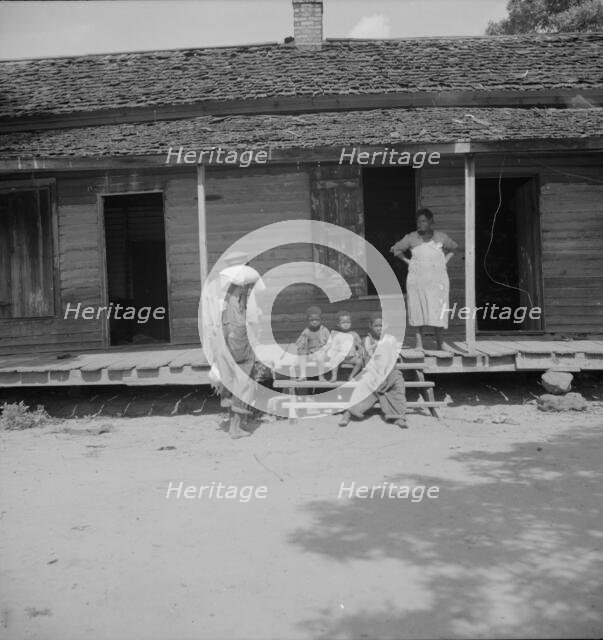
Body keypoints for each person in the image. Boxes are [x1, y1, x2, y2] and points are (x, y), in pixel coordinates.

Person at [390, 208, 457, 351]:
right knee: (417, 308)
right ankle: (419, 345)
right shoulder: (411, 237)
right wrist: (409, 262)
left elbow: (453, 248)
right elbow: (396, 249)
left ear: (431, 222)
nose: (420, 224)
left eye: (423, 221)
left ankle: (441, 343)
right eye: (418, 221)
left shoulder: (441, 237)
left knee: (437, 309)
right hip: (417, 280)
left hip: (437, 280)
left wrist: (444, 262)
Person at [338, 313, 407, 429]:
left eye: (381, 325)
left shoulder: (391, 340)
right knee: (364, 383)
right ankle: (348, 413)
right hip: (373, 372)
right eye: (376, 326)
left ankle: (399, 416)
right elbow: (367, 362)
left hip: (389, 372)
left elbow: (392, 360)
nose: (379, 328)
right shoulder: (367, 341)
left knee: (398, 383)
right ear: (370, 326)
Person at [295, 306, 331, 381]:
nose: (314, 322)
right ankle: (303, 375)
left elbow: (330, 343)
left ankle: (321, 376)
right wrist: (302, 347)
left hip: (321, 353)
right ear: (308, 321)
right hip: (310, 353)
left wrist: (324, 349)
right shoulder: (306, 331)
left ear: (320, 320)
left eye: (317, 320)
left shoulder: (324, 330)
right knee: (302, 355)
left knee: (320, 357)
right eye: (312, 320)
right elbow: (299, 342)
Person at [327, 310, 363, 382]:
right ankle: (334, 376)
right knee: (335, 360)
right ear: (338, 324)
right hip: (341, 358)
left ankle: (351, 376)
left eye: (348, 322)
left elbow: (360, 345)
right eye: (343, 322)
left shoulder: (354, 334)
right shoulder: (337, 335)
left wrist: (360, 353)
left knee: (360, 362)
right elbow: (333, 347)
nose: (346, 324)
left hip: (351, 358)